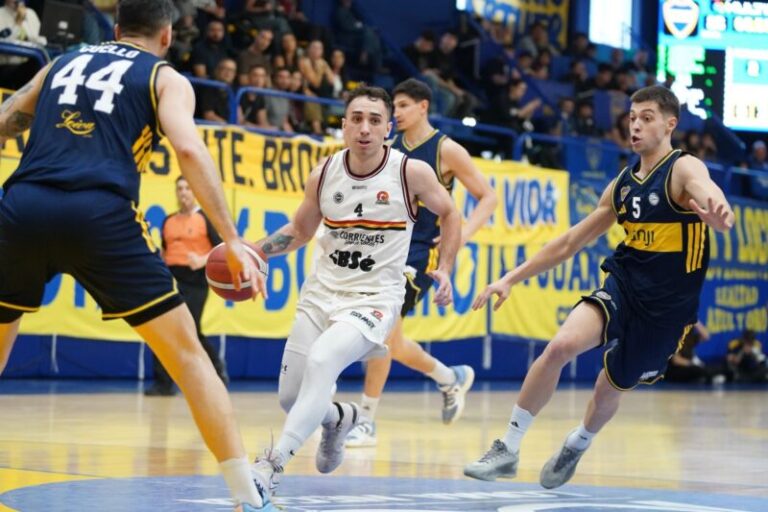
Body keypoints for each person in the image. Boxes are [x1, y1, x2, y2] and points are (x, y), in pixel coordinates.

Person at [0, 1, 272, 510]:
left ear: (117, 27)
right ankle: (247, 495)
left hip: (23, 205)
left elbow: (6, 118)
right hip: (100, 212)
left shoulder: (61, 63)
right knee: (188, 357)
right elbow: (188, 149)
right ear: (167, 35)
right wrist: (232, 238)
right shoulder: (165, 77)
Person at [464, 85, 734, 489]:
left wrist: (720, 214)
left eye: (646, 118)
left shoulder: (683, 168)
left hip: (667, 312)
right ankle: (508, 447)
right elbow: (569, 243)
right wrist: (509, 278)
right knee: (560, 347)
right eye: (632, 118)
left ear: (670, 124)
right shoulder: (621, 186)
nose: (635, 125)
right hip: (624, 283)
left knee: (609, 387)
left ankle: (578, 442)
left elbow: (709, 193)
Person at [249, 85, 462, 499]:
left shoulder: (411, 173)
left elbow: (450, 212)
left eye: (375, 120)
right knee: (292, 398)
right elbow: (300, 230)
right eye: (357, 119)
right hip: (320, 295)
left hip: (374, 300)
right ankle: (338, 418)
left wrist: (446, 268)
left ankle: (270, 465)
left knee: (323, 359)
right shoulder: (324, 173)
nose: (365, 128)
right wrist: (254, 251)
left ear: (388, 129)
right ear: (344, 125)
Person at [344, 78, 498, 448]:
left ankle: (366, 420)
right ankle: (450, 378)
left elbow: (488, 197)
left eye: (402, 106)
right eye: (394, 107)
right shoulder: (389, 147)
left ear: (423, 106)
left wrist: (461, 236)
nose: (395, 113)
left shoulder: (446, 149)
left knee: (381, 331)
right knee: (392, 341)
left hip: (422, 254)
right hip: (386, 248)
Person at [145, 176, 229, 396]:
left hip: (196, 282)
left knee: (190, 330)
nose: (183, 192)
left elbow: (222, 249)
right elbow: (165, 251)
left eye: (187, 188)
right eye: (180, 188)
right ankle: (163, 383)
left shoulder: (204, 219)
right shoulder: (169, 220)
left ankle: (217, 372)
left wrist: (201, 260)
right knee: (161, 329)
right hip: (172, 280)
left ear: (194, 192)